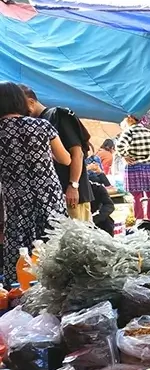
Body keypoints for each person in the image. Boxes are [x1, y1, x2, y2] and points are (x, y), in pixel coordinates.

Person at [0, 82, 69, 281]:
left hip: (16, 198)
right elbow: (65, 159)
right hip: (48, 195)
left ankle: (19, 290)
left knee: (21, 247)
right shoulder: (42, 125)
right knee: (54, 244)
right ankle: (60, 285)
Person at [20, 85, 94, 221]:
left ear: (31, 102)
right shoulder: (35, 124)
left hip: (71, 193)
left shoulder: (58, 115)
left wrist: (73, 185)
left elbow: (77, 153)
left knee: (78, 238)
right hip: (55, 195)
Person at [116, 114, 150, 221]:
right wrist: (147, 157)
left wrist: (125, 155)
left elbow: (119, 146)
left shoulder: (129, 132)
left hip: (133, 166)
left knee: (136, 196)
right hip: (149, 165)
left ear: (130, 119)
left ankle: (139, 220)